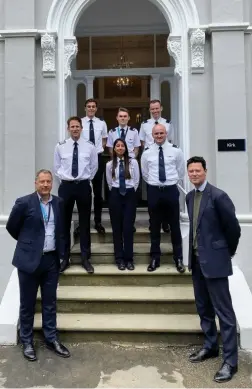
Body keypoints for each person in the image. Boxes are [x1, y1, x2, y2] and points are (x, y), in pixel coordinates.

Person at [186, 156, 241, 383]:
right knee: (203, 307)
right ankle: (210, 346)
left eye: (198, 171)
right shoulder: (189, 197)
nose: (194, 174)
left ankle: (230, 362)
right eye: (191, 171)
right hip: (197, 262)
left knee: (224, 313)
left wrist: (225, 253)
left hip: (215, 262)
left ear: (205, 172)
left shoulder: (218, 196)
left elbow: (234, 229)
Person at [6, 170, 70, 362]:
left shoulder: (58, 203)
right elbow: (11, 226)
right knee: (27, 304)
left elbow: (62, 229)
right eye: (41, 181)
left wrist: (61, 253)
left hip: (50, 261)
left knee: (50, 303)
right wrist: (29, 244)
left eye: (48, 181)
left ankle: (51, 338)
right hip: (28, 261)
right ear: (35, 183)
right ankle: (27, 341)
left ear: (52, 184)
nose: (45, 185)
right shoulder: (24, 203)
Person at [54, 116, 98, 274]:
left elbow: (93, 167)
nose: (75, 129)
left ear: (81, 128)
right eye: (72, 127)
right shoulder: (60, 146)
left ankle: (86, 258)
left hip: (83, 186)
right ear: (68, 129)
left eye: (77, 126)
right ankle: (64, 258)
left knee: (85, 223)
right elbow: (57, 167)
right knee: (64, 223)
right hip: (66, 187)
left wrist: (82, 179)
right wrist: (67, 179)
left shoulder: (90, 147)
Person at [141, 123, 185, 273]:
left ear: (166, 134)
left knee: (174, 226)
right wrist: (156, 184)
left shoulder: (176, 151)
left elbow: (180, 171)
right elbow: (145, 173)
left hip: (171, 190)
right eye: (156, 134)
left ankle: (178, 258)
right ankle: (155, 258)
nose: (159, 136)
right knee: (154, 226)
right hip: (154, 191)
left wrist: (170, 182)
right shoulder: (147, 153)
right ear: (152, 135)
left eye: (161, 133)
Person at [139, 99, 173, 233]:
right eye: (152, 109)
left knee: (165, 196)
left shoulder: (167, 124)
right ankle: (153, 222)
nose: (155, 111)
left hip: (165, 160)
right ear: (150, 110)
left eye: (157, 108)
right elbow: (142, 142)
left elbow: (171, 141)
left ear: (161, 108)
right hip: (151, 160)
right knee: (152, 197)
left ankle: (165, 222)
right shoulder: (145, 125)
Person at [106, 139, 140, 270]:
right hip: (115, 196)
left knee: (128, 228)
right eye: (117, 146)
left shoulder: (133, 163)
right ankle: (119, 259)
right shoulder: (109, 164)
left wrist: (129, 191)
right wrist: (117, 192)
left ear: (126, 148)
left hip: (130, 195)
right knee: (117, 228)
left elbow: (136, 180)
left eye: (122, 146)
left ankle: (129, 259)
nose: (120, 148)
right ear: (114, 149)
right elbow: (109, 182)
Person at [81, 98, 108, 234]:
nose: (91, 108)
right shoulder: (80, 122)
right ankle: (83, 223)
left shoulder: (101, 123)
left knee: (98, 192)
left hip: (97, 157)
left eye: (93, 106)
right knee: (83, 191)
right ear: (85, 108)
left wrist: (95, 151)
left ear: (96, 109)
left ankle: (98, 221)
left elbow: (104, 140)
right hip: (83, 158)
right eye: (89, 106)